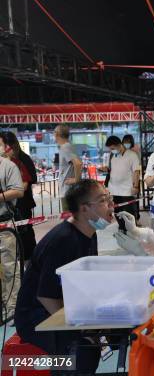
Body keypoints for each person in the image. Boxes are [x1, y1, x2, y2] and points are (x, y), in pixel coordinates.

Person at [15, 180, 112, 374]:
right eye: (103, 201)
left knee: (115, 334)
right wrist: (81, 329)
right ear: (84, 209)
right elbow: (47, 296)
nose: (111, 206)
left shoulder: (89, 233)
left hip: (65, 303)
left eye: (110, 199)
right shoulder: (63, 241)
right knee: (81, 351)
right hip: (36, 314)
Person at [0, 132, 38, 262]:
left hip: (22, 206)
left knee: (25, 236)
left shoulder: (21, 160)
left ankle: (31, 264)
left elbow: (23, 187)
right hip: (12, 207)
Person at [0, 152, 24, 321]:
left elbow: (18, 190)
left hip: (4, 224)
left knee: (9, 268)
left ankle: (12, 308)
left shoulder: (7, 166)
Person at [99, 135, 140, 219]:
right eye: (110, 149)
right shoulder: (112, 155)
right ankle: (121, 229)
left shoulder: (132, 155)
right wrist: (105, 169)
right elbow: (110, 169)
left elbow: (136, 172)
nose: (111, 150)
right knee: (118, 214)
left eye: (112, 148)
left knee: (129, 215)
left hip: (127, 191)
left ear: (119, 145)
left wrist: (136, 186)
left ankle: (130, 231)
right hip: (113, 190)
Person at [55, 124, 82, 212]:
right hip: (69, 190)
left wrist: (76, 180)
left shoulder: (65, 147)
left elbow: (78, 164)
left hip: (67, 191)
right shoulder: (69, 146)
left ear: (57, 134)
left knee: (69, 218)